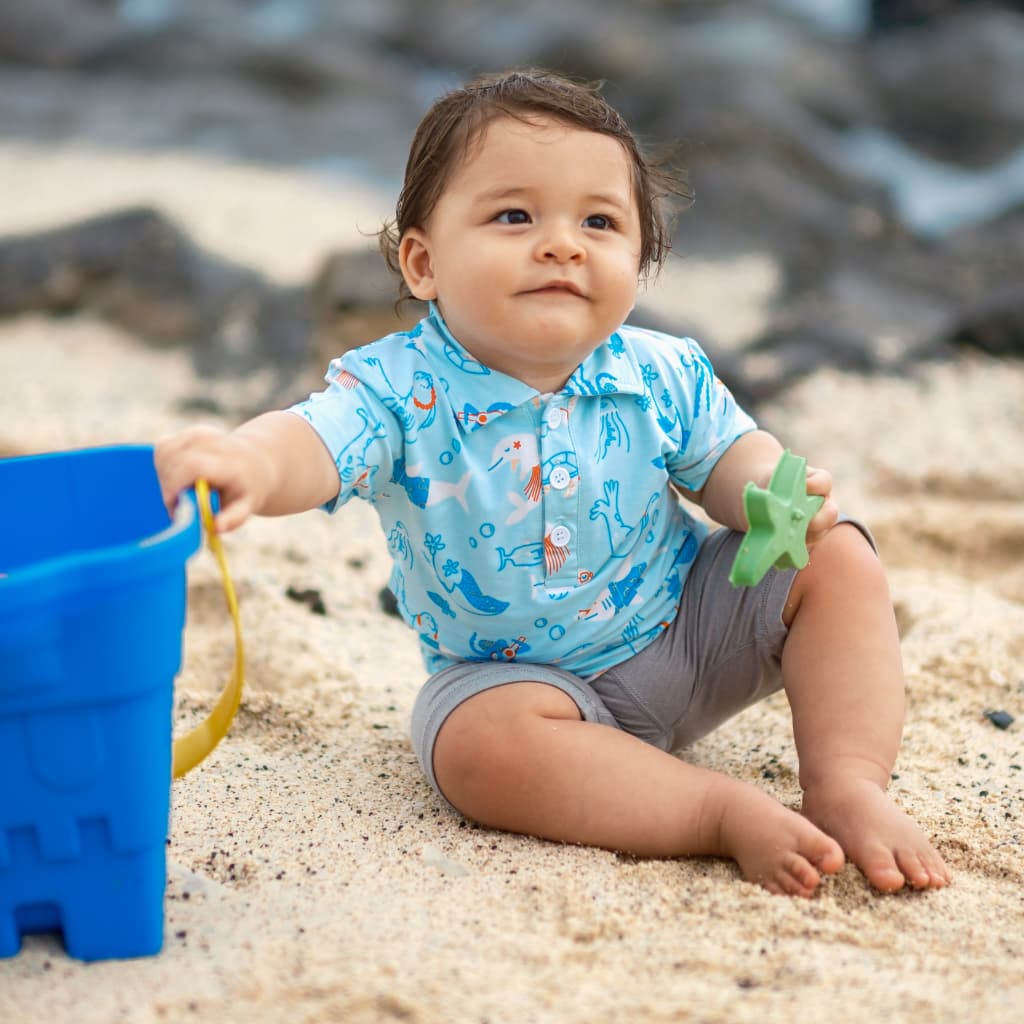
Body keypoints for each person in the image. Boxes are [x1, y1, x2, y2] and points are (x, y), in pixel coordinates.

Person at [155, 68, 951, 897]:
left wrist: (772, 491)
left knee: (841, 557)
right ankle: (714, 812)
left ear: (639, 260)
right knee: (470, 746)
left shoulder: (660, 370)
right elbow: (312, 441)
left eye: (599, 222)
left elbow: (731, 459)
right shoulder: (398, 391)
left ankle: (849, 782)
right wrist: (246, 460)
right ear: (423, 263)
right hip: (527, 689)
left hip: (688, 633)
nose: (562, 243)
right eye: (514, 215)